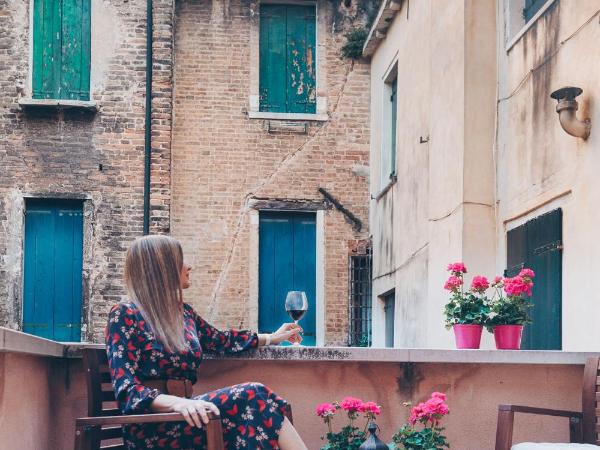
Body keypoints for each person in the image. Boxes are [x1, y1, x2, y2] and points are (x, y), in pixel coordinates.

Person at [105, 235, 308, 450]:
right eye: (181, 260)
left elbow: (221, 341)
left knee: (264, 408)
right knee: (255, 394)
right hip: (153, 426)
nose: (188, 266)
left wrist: (272, 337)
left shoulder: (183, 314)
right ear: (162, 268)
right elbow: (127, 390)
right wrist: (178, 402)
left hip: (191, 417)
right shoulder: (125, 315)